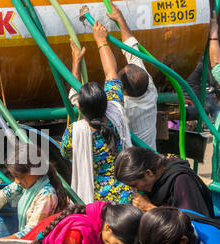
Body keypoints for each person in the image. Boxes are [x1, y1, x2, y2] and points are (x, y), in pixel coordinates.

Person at [62, 20, 134, 204]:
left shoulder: (74, 132)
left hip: (94, 201)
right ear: (105, 100)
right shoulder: (115, 110)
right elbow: (111, 72)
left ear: (80, 108)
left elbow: (65, 153)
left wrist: (76, 62)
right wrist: (101, 40)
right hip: (125, 194)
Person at [0, 142, 67, 239]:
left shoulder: (46, 195)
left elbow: (31, 232)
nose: (16, 181)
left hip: (41, 243)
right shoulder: (31, 184)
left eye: (19, 177)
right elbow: (2, 195)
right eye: (14, 176)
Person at [105, 0, 158, 149]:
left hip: (133, 164)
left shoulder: (121, 108)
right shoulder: (149, 88)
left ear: (123, 91)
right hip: (150, 157)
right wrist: (121, 19)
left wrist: (102, 43)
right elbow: (132, 51)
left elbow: (109, 74)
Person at [114, 146, 215, 218]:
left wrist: (150, 208)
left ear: (148, 173)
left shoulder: (181, 181)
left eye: (134, 185)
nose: (134, 190)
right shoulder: (156, 183)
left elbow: (192, 225)